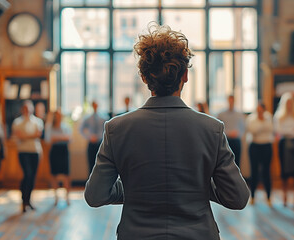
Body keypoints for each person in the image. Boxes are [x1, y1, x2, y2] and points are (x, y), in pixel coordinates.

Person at [84, 23, 250, 240]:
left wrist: (136, 189)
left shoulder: (116, 129)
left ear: (144, 78)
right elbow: (238, 198)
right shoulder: (212, 129)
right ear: (185, 77)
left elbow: (95, 195)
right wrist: (196, 186)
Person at [273, 92, 294, 208]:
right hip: (284, 144)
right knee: (285, 172)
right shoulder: (278, 115)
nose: (289, 105)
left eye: (291, 102)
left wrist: (287, 130)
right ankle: (285, 197)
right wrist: (292, 129)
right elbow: (278, 131)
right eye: (287, 103)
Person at [12, 100, 44, 212]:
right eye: (25, 108)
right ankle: (23, 199)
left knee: (32, 176)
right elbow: (19, 136)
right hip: (23, 152)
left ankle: (28, 200)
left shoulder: (38, 121)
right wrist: (31, 136)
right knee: (27, 174)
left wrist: (25, 136)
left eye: (29, 108)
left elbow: (38, 135)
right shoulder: (17, 122)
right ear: (22, 109)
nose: (27, 110)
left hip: (35, 152)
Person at [246, 101, 274, 206]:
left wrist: (261, 125)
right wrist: (262, 124)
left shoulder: (269, 118)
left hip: (266, 146)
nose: (260, 112)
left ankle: (269, 197)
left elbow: (271, 129)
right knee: (254, 172)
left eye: (261, 110)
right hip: (254, 146)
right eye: (258, 110)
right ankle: (252, 197)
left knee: (266, 172)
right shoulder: (251, 119)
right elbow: (252, 130)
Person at [45, 109, 72, 206]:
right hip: (54, 151)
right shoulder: (50, 127)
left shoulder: (66, 126)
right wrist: (62, 138)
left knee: (66, 175)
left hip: (64, 151)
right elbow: (49, 139)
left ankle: (67, 197)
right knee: (54, 174)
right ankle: (56, 197)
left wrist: (57, 138)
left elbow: (69, 138)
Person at [217, 95, 245, 167]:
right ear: (228, 101)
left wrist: (238, 134)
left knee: (237, 161)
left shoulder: (239, 114)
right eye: (229, 100)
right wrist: (228, 133)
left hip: (236, 140)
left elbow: (243, 128)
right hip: (226, 140)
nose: (231, 102)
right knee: (225, 161)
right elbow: (219, 128)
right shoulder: (221, 114)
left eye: (232, 100)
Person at [80, 101, 107, 174]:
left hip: (100, 143)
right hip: (91, 143)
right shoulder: (88, 118)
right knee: (91, 165)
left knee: (101, 165)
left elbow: (106, 130)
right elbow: (81, 129)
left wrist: (100, 137)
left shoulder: (103, 117)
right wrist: (89, 137)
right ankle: (91, 184)